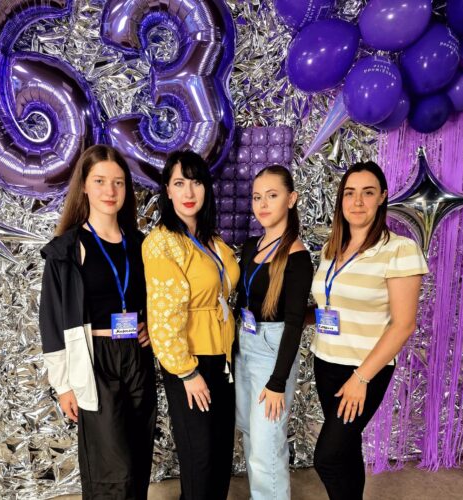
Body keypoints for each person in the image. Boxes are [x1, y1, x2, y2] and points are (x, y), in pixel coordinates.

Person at [39, 145, 157, 499]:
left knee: (138, 457)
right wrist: (63, 385)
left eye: (118, 182)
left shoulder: (141, 245)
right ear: (85, 187)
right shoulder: (67, 249)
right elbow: (51, 320)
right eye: (100, 181)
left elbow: (159, 297)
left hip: (136, 357)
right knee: (111, 468)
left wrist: (153, 325)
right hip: (95, 359)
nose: (110, 190)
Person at [310, 161, 429, 500]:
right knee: (346, 450)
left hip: (364, 369)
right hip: (326, 361)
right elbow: (329, 304)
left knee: (327, 458)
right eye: (350, 193)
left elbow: (404, 324)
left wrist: (361, 378)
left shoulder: (400, 249)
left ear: (382, 197)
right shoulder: (332, 248)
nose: (358, 201)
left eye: (367, 192)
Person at [142, 150, 240, 500]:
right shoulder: (162, 242)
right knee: (200, 459)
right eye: (179, 183)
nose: (188, 192)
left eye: (196, 182)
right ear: (167, 190)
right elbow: (163, 314)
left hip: (223, 357)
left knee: (220, 455)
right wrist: (186, 372)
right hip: (191, 361)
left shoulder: (213, 241)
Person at [235, 165, 314, 500]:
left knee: (267, 445)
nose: (263, 204)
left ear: (291, 199)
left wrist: (277, 382)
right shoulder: (252, 245)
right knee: (251, 435)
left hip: (273, 350)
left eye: (272, 195)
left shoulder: (297, 257)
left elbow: (294, 324)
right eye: (257, 197)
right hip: (244, 344)